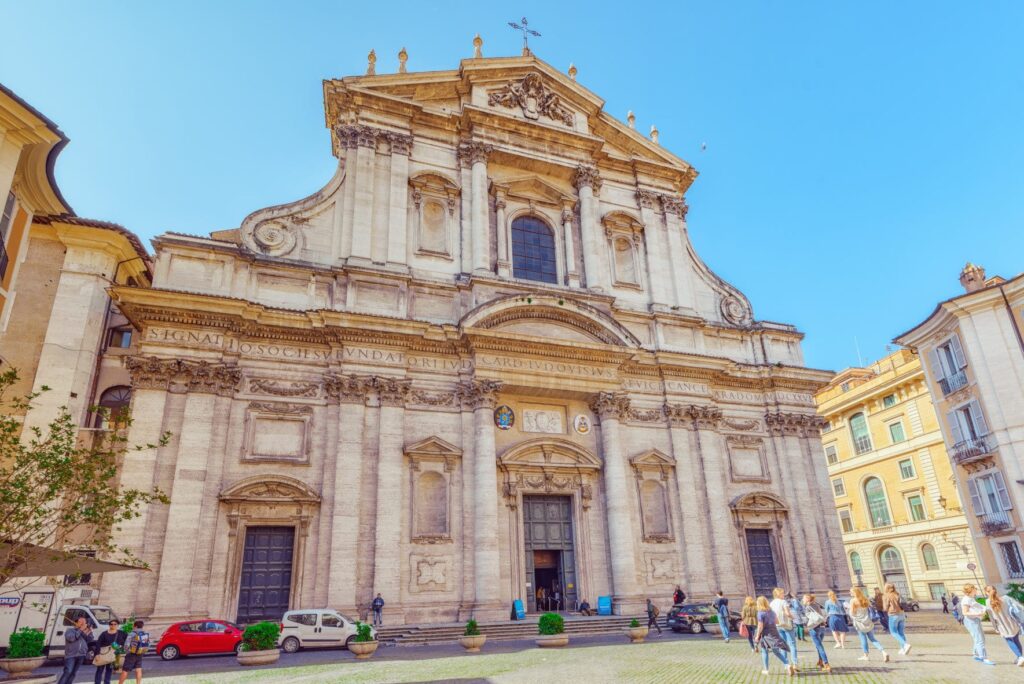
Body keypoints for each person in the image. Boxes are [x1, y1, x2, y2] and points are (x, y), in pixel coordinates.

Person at [984, 585, 1024, 667]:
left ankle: (1020, 657)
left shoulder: (987, 602)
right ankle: (1019, 657)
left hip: (1001, 625)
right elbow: (1019, 606)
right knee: (1016, 640)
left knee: (1010, 641)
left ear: (986, 593)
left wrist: (995, 627)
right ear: (996, 590)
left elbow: (991, 617)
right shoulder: (1006, 598)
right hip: (1012, 623)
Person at [754, 595, 794, 676]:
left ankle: (766, 669)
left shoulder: (760, 613)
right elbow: (777, 622)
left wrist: (757, 636)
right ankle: (787, 664)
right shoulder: (772, 612)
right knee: (776, 652)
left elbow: (760, 626)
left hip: (766, 634)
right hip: (774, 632)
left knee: (764, 651)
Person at [848, 587, 889, 662]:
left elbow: (852, 613)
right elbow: (870, 610)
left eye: (851, 592)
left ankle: (865, 655)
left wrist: (848, 608)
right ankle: (883, 652)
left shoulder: (853, 601)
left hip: (859, 623)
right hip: (868, 621)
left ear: (855, 592)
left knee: (863, 639)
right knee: (873, 639)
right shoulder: (865, 599)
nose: (849, 593)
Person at [961, 584, 994, 665]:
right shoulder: (966, 600)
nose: (976, 589)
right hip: (971, 621)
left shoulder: (971, 598)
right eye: (974, 588)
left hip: (975, 620)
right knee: (980, 639)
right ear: (970, 590)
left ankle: (976, 654)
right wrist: (979, 613)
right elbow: (964, 612)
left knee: (979, 638)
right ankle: (984, 657)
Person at [58, 616, 94, 684]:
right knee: (68, 672)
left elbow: (90, 640)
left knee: (73, 673)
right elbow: (71, 638)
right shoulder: (70, 630)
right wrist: (80, 630)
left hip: (81, 655)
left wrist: (90, 632)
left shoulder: (84, 631)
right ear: (76, 623)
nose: (82, 624)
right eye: (80, 622)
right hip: (71, 655)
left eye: (84, 622)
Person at [770, 588, 799, 670]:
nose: (784, 595)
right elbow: (787, 613)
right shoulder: (783, 602)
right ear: (778, 594)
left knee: (782, 645)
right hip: (787, 625)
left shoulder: (771, 603)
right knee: (792, 644)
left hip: (778, 626)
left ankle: (786, 664)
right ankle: (795, 664)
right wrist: (793, 618)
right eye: (782, 593)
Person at [802, 593, 831, 673]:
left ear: (807, 599)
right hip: (822, 627)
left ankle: (826, 664)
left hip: (814, 628)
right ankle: (820, 661)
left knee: (819, 646)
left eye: (803, 598)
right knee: (818, 646)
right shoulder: (817, 605)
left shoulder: (808, 607)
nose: (802, 600)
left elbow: (808, 619)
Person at [94, 619, 126, 684]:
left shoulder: (121, 633)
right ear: (109, 625)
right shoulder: (104, 634)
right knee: (99, 670)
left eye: (115, 624)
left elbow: (126, 641)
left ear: (117, 625)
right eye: (111, 624)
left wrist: (121, 649)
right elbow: (98, 643)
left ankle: (107, 682)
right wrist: (97, 654)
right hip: (103, 654)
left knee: (109, 670)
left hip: (113, 655)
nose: (113, 625)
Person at [883, 582, 911, 655]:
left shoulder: (886, 596)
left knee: (893, 632)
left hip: (893, 615)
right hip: (902, 614)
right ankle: (903, 649)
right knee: (901, 632)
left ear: (886, 588)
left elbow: (885, 608)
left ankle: (905, 644)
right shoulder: (897, 594)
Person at [118, 620, 149, 684]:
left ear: (135, 626)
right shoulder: (145, 634)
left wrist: (127, 651)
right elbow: (148, 644)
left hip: (131, 654)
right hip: (140, 653)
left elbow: (126, 644)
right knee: (138, 669)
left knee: (125, 670)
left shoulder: (132, 634)